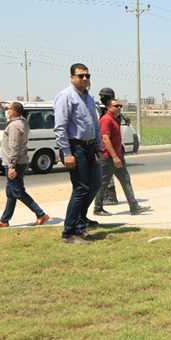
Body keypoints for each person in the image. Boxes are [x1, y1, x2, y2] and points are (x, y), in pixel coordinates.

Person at [53, 63, 102, 244]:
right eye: (81, 76)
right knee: (81, 189)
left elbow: (94, 124)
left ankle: (80, 225)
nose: (85, 79)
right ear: (72, 77)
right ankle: (69, 232)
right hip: (75, 147)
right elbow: (60, 127)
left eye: (87, 75)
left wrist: (98, 147)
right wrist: (67, 153)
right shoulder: (66, 96)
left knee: (95, 184)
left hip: (90, 147)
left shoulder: (89, 98)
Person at [0, 102, 50, 228]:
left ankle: (41, 214)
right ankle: (4, 220)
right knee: (11, 193)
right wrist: (0, 105)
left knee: (18, 192)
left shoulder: (14, 126)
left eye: (9, 109)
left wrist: (11, 166)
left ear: (15, 111)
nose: (7, 111)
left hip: (15, 163)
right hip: (19, 161)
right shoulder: (22, 122)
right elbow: (9, 112)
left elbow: (14, 146)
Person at [93, 98, 147, 216]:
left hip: (118, 156)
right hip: (108, 158)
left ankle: (134, 206)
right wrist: (114, 157)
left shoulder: (115, 119)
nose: (119, 108)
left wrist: (119, 154)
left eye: (120, 106)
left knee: (125, 180)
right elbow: (105, 139)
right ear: (108, 107)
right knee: (103, 183)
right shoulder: (106, 119)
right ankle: (98, 208)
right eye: (116, 106)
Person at [98, 87, 119, 206]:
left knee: (107, 174)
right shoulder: (106, 108)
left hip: (108, 147)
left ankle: (110, 197)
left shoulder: (110, 109)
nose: (101, 98)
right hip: (105, 146)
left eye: (103, 96)